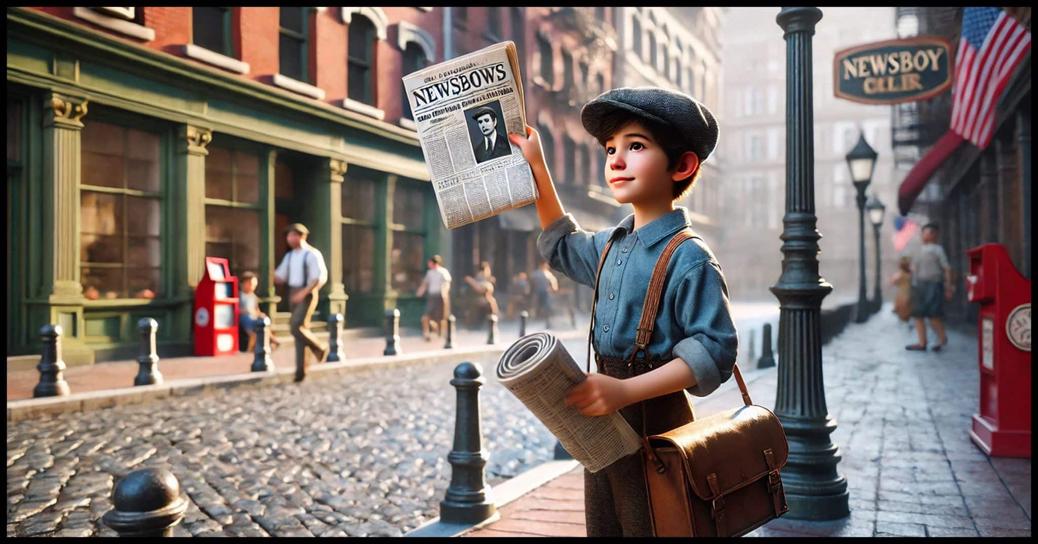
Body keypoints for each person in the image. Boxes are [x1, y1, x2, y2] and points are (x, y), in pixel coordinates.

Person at [508, 87, 738, 536]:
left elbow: (714, 350)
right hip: (605, 425)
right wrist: (536, 164)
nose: (615, 160)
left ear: (683, 165)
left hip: (657, 425)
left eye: (636, 146)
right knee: (606, 522)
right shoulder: (612, 243)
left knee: (655, 523)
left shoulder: (689, 256)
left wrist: (625, 393)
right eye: (610, 149)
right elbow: (561, 243)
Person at [273, 223, 329, 382]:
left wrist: (303, 293)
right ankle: (300, 371)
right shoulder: (290, 256)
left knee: (295, 326)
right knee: (300, 333)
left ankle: (320, 347)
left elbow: (318, 278)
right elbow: (280, 275)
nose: (289, 239)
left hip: (307, 293)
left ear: (301, 236)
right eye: (288, 236)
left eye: (292, 235)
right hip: (293, 292)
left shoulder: (312, 254)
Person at [905, 223, 953, 352]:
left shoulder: (938, 249)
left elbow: (946, 268)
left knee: (934, 314)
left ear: (934, 234)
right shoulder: (918, 250)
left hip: (934, 284)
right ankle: (922, 342)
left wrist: (949, 286)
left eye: (927, 233)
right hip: (919, 284)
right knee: (918, 314)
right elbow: (913, 269)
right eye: (924, 233)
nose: (924, 235)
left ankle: (942, 339)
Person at [416, 255, 452, 341]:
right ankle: (427, 333)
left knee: (441, 317)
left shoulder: (443, 272)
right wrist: (420, 292)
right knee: (426, 316)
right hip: (432, 296)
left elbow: (446, 283)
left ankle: (440, 333)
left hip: (440, 296)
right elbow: (425, 284)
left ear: (434, 263)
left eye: (430, 262)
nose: (428, 264)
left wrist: (444, 293)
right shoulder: (430, 273)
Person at [530, 260, 560, 328]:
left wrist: (554, 288)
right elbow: (532, 283)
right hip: (538, 292)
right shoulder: (536, 273)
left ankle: (547, 318)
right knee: (537, 304)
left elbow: (554, 281)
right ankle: (538, 316)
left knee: (547, 305)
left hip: (546, 292)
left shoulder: (548, 274)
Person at [889, 255, 913, 325]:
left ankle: (905, 321)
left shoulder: (900, 274)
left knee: (904, 311)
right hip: (906, 294)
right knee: (905, 311)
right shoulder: (909, 273)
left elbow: (893, 282)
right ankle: (905, 322)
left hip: (904, 295)